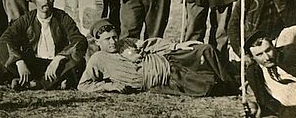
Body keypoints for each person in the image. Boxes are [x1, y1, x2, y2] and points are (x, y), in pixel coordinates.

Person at [79, 20, 233, 96]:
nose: (113, 42)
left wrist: (177, 46)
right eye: (107, 39)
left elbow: (150, 44)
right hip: (166, 78)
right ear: (98, 42)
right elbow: (83, 85)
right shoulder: (98, 59)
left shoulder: (125, 43)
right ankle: (235, 81)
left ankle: (233, 78)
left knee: (205, 49)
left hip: (168, 59)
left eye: (114, 37)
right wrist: (107, 86)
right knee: (210, 86)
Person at [0, 0, 87, 90]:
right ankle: (55, 82)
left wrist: (59, 58)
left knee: (78, 62)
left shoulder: (62, 17)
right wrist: (19, 61)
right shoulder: (26, 19)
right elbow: (5, 39)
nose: (46, 2)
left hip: (55, 64)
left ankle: (33, 84)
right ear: (34, 0)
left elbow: (79, 39)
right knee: (5, 62)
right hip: (33, 63)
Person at [244, 30, 296, 117]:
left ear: (273, 46)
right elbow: (266, 103)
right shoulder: (254, 73)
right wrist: (256, 108)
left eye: (268, 50)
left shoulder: (291, 58)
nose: (267, 57)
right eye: (259, 54)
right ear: (252, 57)